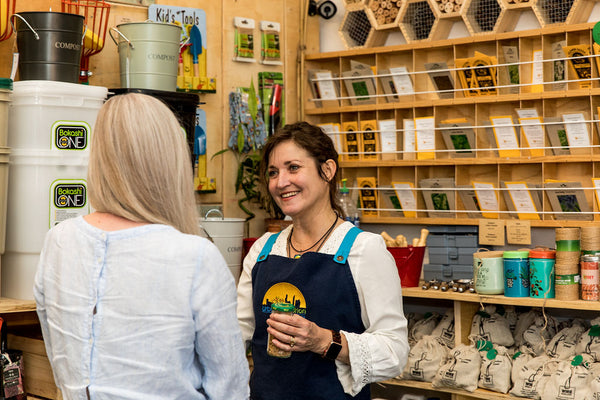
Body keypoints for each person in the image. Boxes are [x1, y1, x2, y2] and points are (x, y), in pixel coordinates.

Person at [33, 93, 249, 400]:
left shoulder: (59, 240)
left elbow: (61, 360)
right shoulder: (195, 257)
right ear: (170, 162)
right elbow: (230, 389)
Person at [237, 121, 409, 399]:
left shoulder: (364, 250)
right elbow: (236, 334)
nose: (281, 182)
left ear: (327, 170)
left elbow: (395, 352)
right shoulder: (262, 251)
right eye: (273, 172)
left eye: (293, 167)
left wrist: (323, 341)